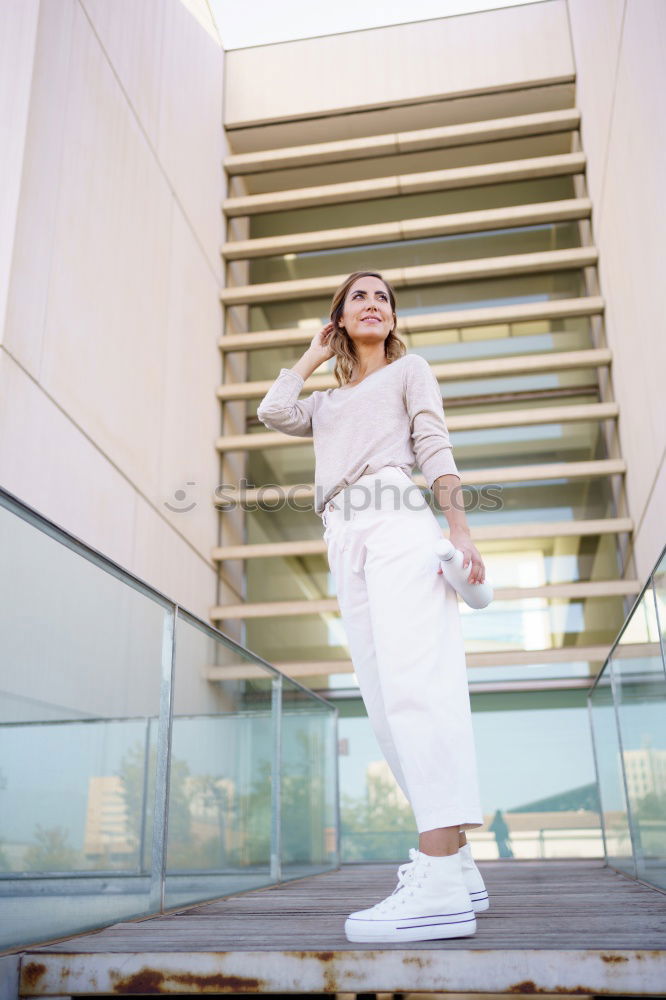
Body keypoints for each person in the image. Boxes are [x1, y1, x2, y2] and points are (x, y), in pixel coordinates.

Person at [257, 270, 489, 943]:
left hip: (395, 520)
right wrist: (311, 354)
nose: (372, 303)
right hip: (343, 533)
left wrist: (460, 529)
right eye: (358, 295)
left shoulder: (410, 370)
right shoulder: (326, 406)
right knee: (385, 704)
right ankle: (463, 868)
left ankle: (440, 875)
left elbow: (434, 444)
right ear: (338, 319)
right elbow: (275, 411)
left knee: (419, 687)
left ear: (393, 318)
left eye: (383, 297)